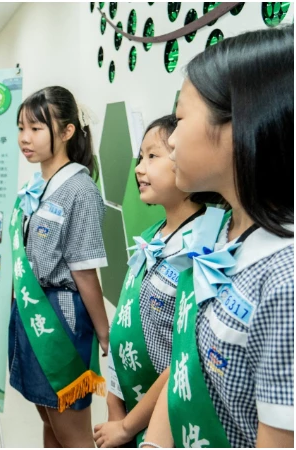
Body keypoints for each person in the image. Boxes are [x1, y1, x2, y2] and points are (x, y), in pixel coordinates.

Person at [142, 26, 293, 449]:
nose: (170, 140)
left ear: (237, 125)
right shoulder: (221, 233)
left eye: (181, 119)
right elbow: (185, 363)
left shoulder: (285, 278)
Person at [92, 115, 220, 448]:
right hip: (129, 409)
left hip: (167, 420)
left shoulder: (209, 243)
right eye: (140, 157)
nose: (139, 168)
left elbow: (187, 353)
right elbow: (125, 320)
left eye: (153, 156)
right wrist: (114, 407)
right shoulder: (151, 236)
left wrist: (127, 426)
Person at [8, 86, 109, 447]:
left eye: (36, 128)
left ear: (66, 131)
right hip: (31, 312)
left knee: (73, 437)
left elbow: (84, 270)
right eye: (21, 127)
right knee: (50, 422)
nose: (25, 138)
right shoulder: (41, 184)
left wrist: (104, 333)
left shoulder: (79, 189)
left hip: (61, 321)